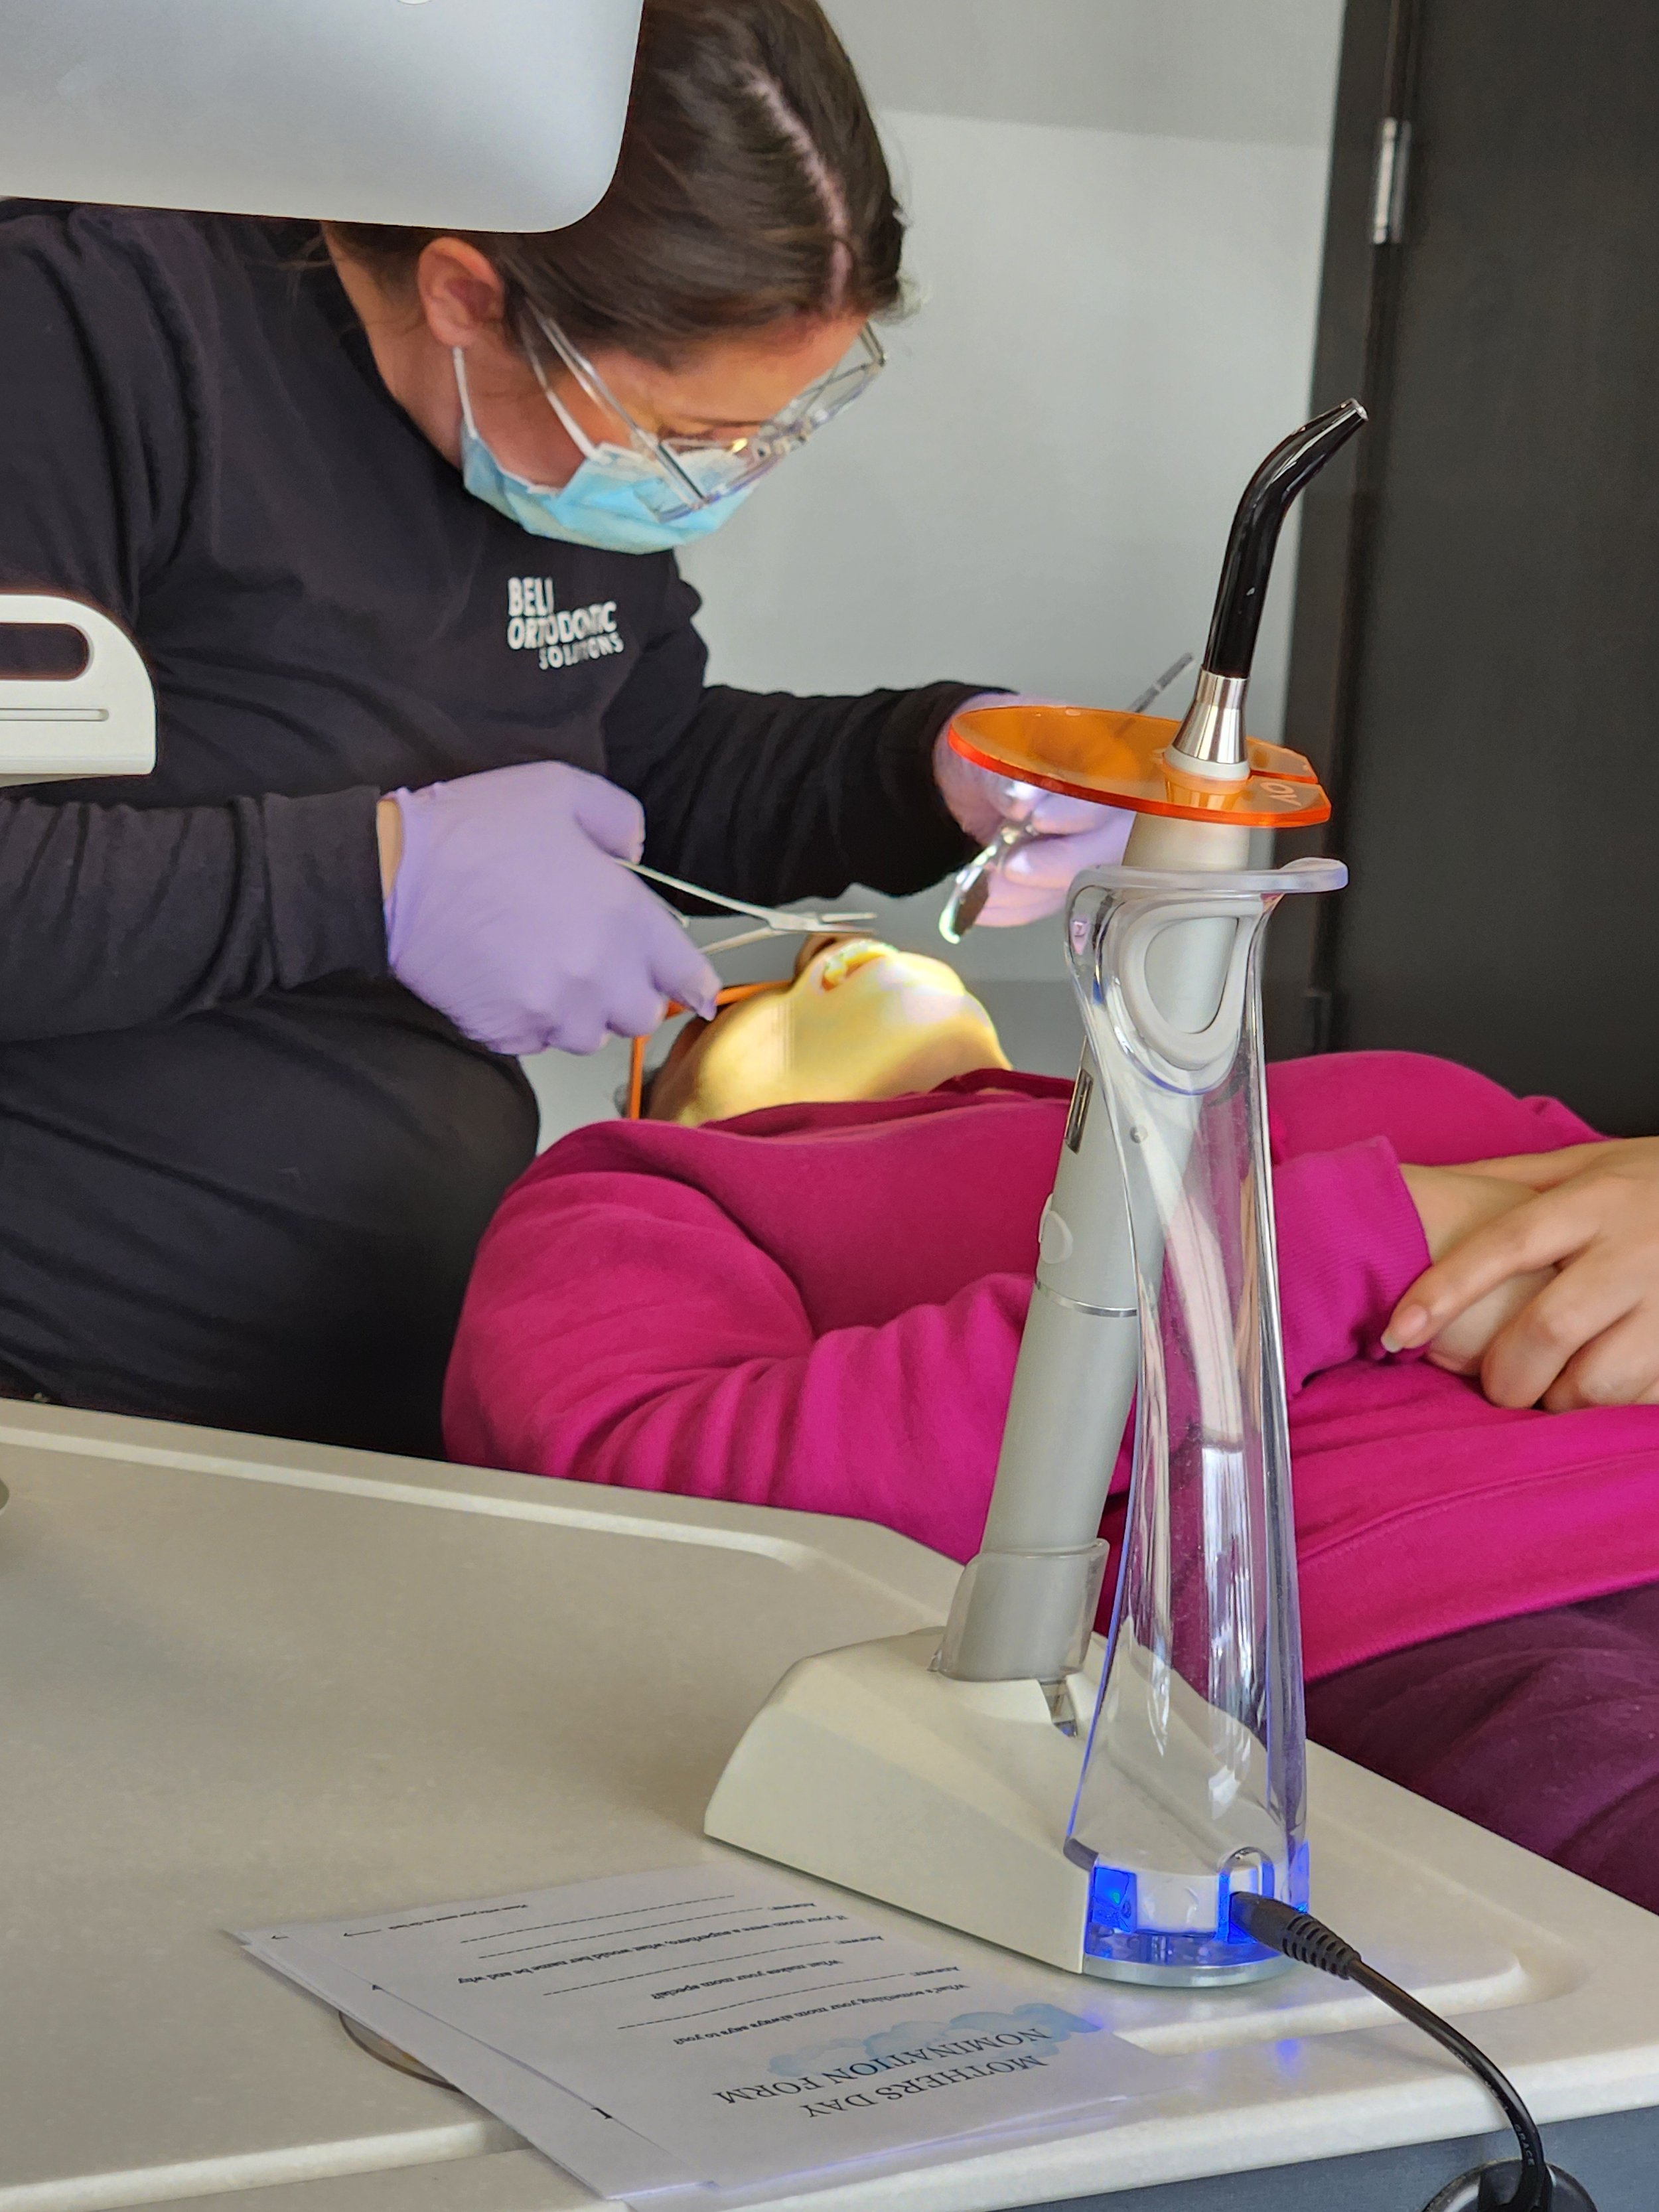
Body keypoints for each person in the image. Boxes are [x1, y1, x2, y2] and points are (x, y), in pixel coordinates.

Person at [0, 0, 1130, 1455]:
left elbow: (639, 763)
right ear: (469, 292)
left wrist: (932, 764)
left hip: (374, 1389)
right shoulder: (89, 327)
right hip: (63, 1402)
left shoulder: (545, 446)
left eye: (768, 433)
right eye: (685, 438)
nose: (714, 486)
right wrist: (374, 874)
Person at [444, 973, 1659, 1911]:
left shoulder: (1402, 1087)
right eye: (739, 991)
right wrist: (1339, 1233)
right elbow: (676, 1523)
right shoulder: (639, 1188)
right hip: (1431, 1631)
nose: (837, 954)